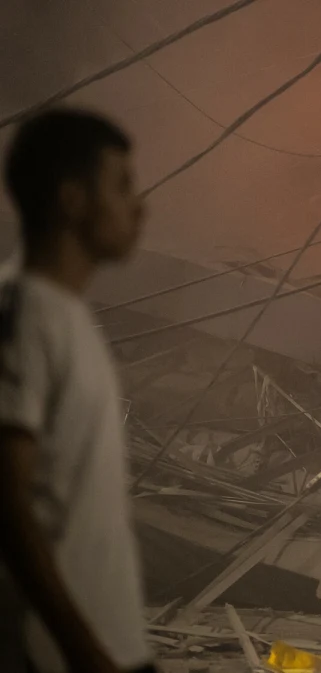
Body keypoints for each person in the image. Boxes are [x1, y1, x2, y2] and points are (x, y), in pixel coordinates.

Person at [0, 108, 153, 672]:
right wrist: (80, 649)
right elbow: (7, 499)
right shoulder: (22, 314)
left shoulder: (67, 316)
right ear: (72, 200)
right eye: (122, 185)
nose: (140, 206)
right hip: (60, 654)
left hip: (110, 644)